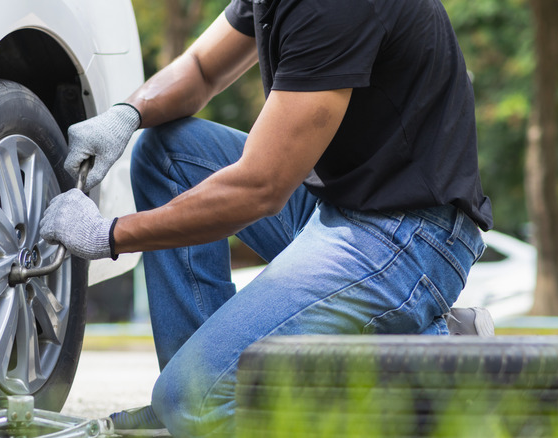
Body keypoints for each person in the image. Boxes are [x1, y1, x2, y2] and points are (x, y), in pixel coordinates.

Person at [39, 0, 494, 436]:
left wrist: (107, 235)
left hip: (406, 237)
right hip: (336, 205)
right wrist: (127, 114)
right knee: (168, 154)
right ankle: (199, 397)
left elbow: (260, 188)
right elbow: (200, 68)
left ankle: (433, 360)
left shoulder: (333, 6)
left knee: (191, 402)